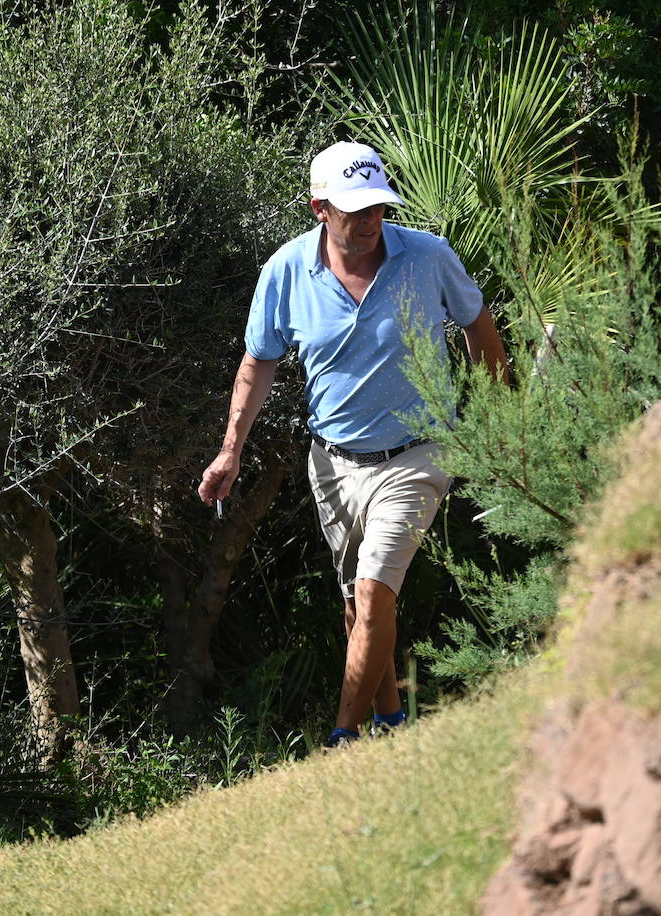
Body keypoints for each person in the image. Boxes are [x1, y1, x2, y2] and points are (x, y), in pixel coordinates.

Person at [197, 141, 510, 748]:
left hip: (420, 453)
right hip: (333, 463)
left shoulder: (426, 256)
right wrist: (231, 449)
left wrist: (499, 420)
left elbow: (476, 323)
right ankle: (392, 727)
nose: (371, 222)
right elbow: (257, 364)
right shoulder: (285, 271)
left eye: (378, 208)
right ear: (319, 209)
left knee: (372, 591)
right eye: (355, 210)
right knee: (358, 608)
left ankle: (342, 740)